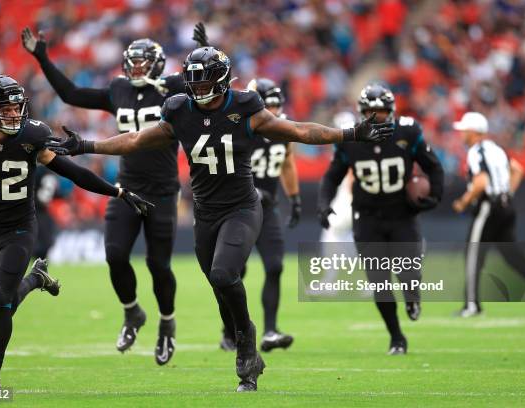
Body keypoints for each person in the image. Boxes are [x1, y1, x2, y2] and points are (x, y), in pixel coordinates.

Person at [46, 47, 393, 391]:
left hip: (242, 206)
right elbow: (137, 139)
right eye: (192, 80)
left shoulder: (245, 107)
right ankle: (244, 340)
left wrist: (347, 134)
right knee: (220, 287)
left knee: (224, 273)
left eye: (203, 80)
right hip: (206, 213)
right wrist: (87, 146)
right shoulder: (179, 109)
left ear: (222, 80)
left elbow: (298, 131)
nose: (196, 87)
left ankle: (246, 343)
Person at [0, 75, 152, 390]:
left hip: (20, 228)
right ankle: (37, 278)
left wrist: (118, 192)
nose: (14, 114)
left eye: (16, 107)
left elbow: (74, 173)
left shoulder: (31, 137)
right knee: (1, 298)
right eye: (6, 109)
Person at [22, 24, 208, 364]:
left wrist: (204, 49)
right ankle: (132, 312)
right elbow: (71, 94)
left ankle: (167, 322)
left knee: (158, 264)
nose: (136, 68)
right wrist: (43, 57)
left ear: (157, 64)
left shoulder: (175, 88)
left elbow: (205, 85)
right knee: (115, 254)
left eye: (143, 63)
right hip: (127, 186)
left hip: (163, 189)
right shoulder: (119, 89)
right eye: (132, 62)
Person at [318, 83, 444, 355]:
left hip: (401, 213)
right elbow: (332, 175)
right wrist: (323, 203)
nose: (377, 117)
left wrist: (436, 195)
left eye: (383, 112)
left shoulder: (408, 133)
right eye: (371, 112)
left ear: (392, 112)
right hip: (368, 217)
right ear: (362, 112)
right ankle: (396, 337)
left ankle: (412, 296)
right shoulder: (352, 139)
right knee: (379, 281)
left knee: (408, 271)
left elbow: (434, 166)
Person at [218, 78, 301, 353]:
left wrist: (295, 198)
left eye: (277, 105)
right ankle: (230, 331)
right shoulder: (243, 127)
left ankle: (270, 330)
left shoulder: (282, 127)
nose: (274, 112)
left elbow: (287, 161)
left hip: (269, 209)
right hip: (238, 208)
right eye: (270, 105)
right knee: (233, 271)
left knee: (275, 266)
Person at [452, 112, 525, 317]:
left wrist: (463, 201)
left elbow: (481, 182)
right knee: (513, 256)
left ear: (474, 131)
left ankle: (472, 305)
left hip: (488, 207)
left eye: (464, 129)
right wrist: (507, 194)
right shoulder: (497, 149)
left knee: (473, 254)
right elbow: (518, 170)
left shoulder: (475, 151)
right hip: (505, 207)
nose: (461, 133)